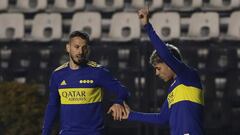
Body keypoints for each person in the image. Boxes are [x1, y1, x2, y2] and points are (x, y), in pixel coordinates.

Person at [122, 8, 205, 135]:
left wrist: (147, 26)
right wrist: (131, 115)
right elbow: (162, 118)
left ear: (169, 63)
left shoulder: (189, 76)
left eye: (158, 68)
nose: (156, 73)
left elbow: (165, 55)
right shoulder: (173, 88)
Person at [42, 31, 130, 135]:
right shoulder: (57, 75)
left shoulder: (98, 72)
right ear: (68, 48)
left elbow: (123, 90)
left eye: (84, 48)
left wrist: (118, 102)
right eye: (76, 47)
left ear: (87, 49)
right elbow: (52, 106)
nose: (80, 51)